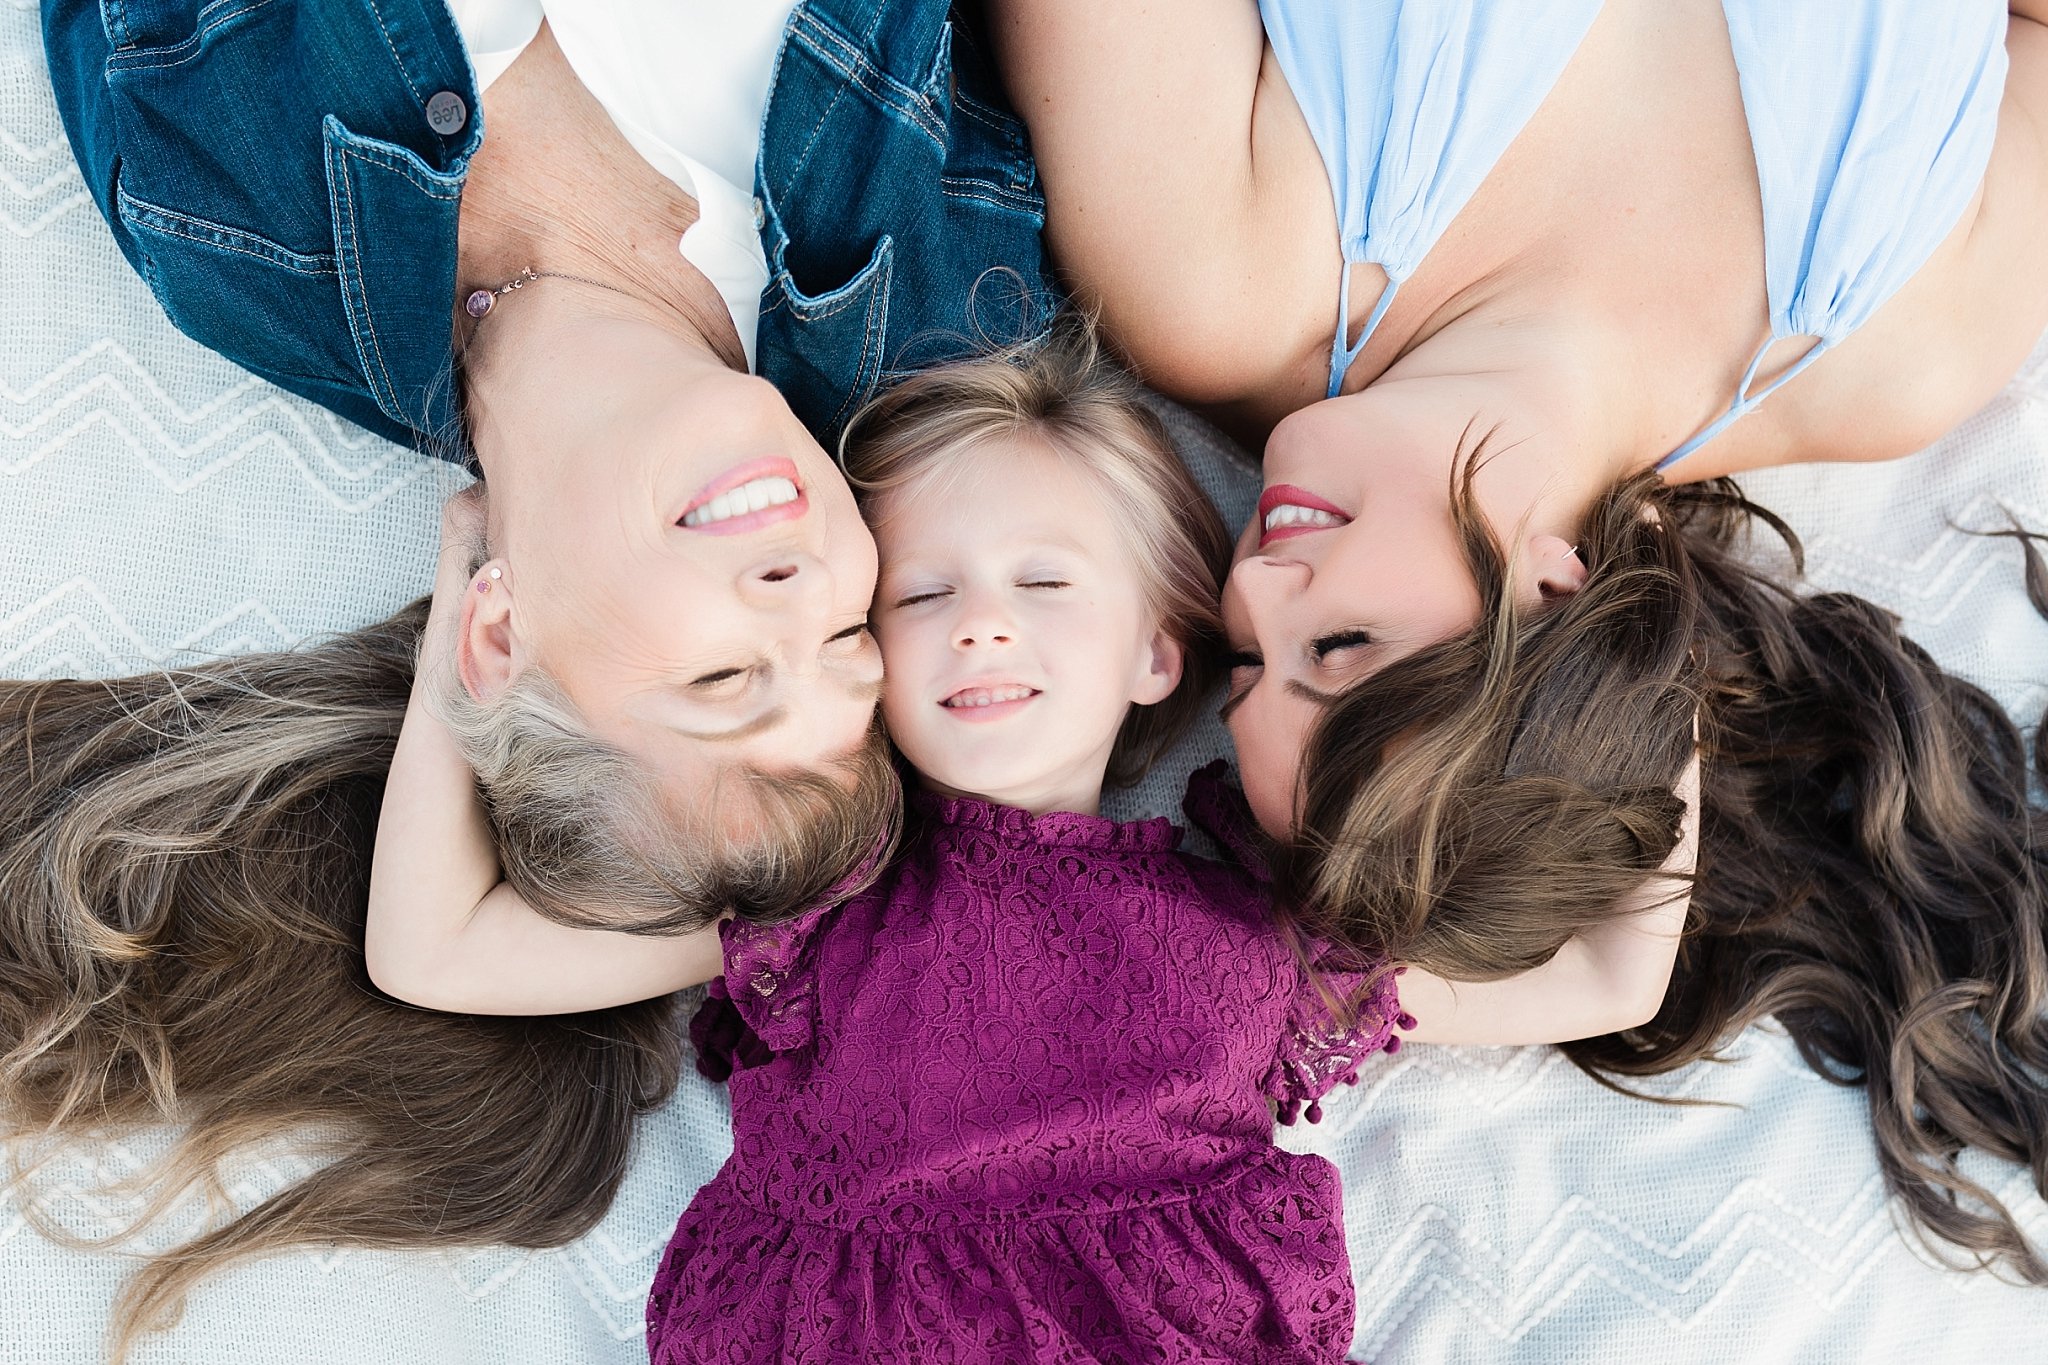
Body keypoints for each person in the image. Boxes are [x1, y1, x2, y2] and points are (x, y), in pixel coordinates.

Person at [13, 0, 1047, 1348]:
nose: (802, 601)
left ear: (496, 643)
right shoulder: (946, 282)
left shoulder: (225, 212)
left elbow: (431, 952)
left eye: (730, 679)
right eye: (851, 648)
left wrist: (470, 599)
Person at [365, 321, 1699, 1362]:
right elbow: (436, 950)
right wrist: (465, 608)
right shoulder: (824, 890)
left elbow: (1604, 981)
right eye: (921, 592)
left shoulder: (1266, 939)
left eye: (1045, 583)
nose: (982, 625)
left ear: (1157, 651)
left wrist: (1656, 637)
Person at [987, 0, 2048, 1280]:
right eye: (1341, 646)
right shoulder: (1896, 351)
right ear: (1559, 597)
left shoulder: (1209, 270)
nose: (1254, 591)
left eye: (1253, 668)